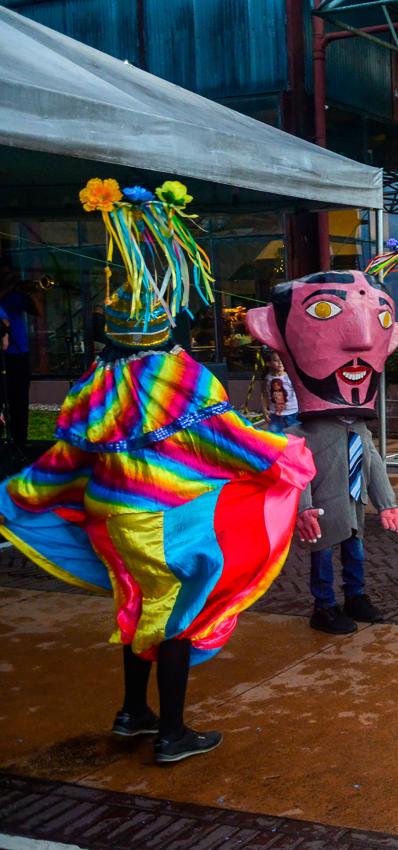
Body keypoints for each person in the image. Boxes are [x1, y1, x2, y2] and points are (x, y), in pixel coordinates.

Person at [0, 177, 314, 764]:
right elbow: (228, 440)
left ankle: (132, 713)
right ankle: (171, 734)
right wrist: (285, 455)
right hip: (158, 521)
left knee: (137, 602)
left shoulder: (93, 386)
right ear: (166, 327)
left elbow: (62, 461)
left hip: (109, 518)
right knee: (175, 612)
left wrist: (15, 493)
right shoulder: (182, 379)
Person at [246, 262, 398, 636]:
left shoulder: (360, 430)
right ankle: (324, 605)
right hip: (322, 512)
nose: (363, 339)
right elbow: (299, 473)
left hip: (352, 508)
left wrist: (387, 504)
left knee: (355, 551)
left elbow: (373, 468)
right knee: (322, 557)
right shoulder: (301, 434)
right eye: (324, 309)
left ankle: (356, 595)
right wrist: (303, 509)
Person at [0, 262, 41, 448]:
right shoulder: (4, 295)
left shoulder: (18, 295)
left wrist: (29, 291)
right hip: (3, 355)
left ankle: (20, 442)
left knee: (20, 401)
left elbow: (38, 312)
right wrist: (8, 288)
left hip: (19, 354)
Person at [262, 350, 300, 433]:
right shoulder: (267, 378)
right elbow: (264, 394)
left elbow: (299, 392)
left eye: (282, 360)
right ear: (269, 363)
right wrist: (264, 409)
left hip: (292, 413)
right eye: (276, 360)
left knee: (295, 437)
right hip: (275, 415)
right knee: (274, 438)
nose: (280, 363)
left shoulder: (290, 376)